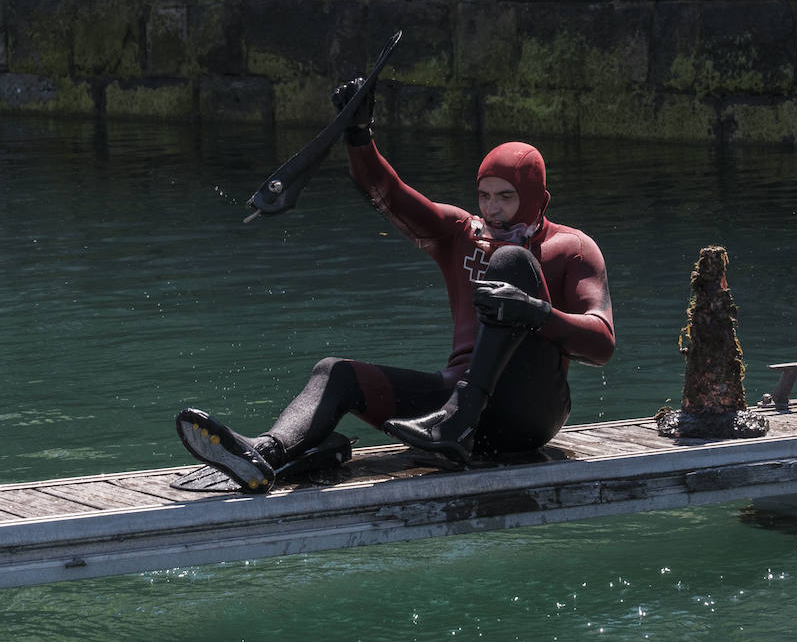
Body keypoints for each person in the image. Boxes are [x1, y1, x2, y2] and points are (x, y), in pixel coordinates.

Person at [176, 77, 615, 492]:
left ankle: (459, 419)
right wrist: (359, 137)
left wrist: (537, 313)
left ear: (537, 198)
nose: (492, 209)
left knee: (512, 260)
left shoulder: (571, 249)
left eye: (506, 197)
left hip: (526, 416)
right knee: (336, 372)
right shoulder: (462, 233)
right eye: (484, 195)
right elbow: (389, 195)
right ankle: (265, 453)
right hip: (448, 411)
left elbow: (601, 344)